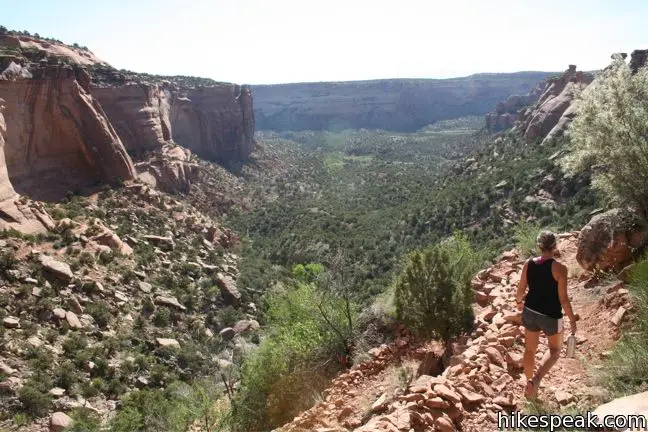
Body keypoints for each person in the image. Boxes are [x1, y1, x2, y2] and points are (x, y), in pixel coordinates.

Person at [515, 231, 577, 398]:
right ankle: (535, 381)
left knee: (529, 350)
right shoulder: (560, 269)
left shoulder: (529, 264)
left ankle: (529, 386)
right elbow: (563, 299)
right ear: (555, 246)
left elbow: (521, 289)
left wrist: (519, 302)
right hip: (551, 316)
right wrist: (572, 320)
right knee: (555, 350)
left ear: (539, 246)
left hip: (530, 311)